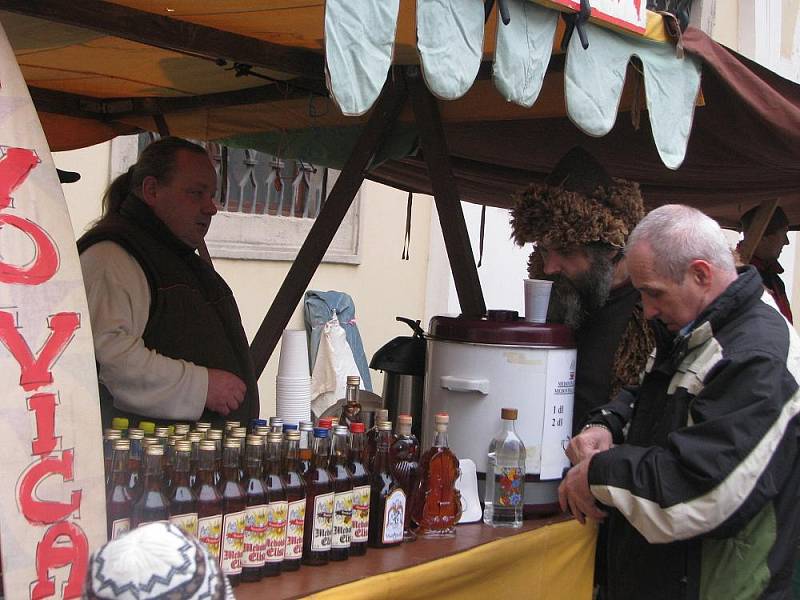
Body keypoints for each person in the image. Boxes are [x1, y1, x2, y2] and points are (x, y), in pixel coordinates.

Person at [560, 204, 800, 600]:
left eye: (654, 293)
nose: (648, 310)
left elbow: (700, 492)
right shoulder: (697, 329)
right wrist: (605, 424)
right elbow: (647, 395)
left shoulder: (758, 356)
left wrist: (596, 474)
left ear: (701, 274)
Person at [78, 137, 259, 428]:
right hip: (141, 463)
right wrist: (202, 386)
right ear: (151, 190)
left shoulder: (171, 254)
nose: (210, 207)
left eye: (211, 195)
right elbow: (110, 360)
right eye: (196, 193)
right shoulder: (112, 257)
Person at [511, 147, 654, 434]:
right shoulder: (559, 294)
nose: (549, 267)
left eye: (564, 250)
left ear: (610, 249)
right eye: (543, 249)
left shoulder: (655, 311)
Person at [739, 205, 793, 322]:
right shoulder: (736, 277)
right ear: (763, 237)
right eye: (784, 233)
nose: (787, 242)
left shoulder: (774, 280)